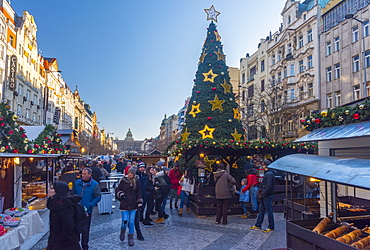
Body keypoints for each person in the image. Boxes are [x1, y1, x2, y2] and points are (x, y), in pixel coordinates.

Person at [72, 168, 101, 250]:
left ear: (90, 175)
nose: (83, 175)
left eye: (85, 174)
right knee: (75, 228)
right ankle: (76, 245)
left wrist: (90, 205)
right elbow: (73, 194)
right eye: (82, 174)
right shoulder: (77, 183)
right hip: (76, 209)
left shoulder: (95, 184)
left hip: (86, 210)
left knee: (85, 229)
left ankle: (85, 245)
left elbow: (98, 196)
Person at [46, 182, 81, 250]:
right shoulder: (55, 204)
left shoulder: (65, 206)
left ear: (58, 191)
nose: (48, 189)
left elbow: (68, 225)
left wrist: (63, 241)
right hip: (56, 240)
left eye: (51, 188)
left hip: (65, 244)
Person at [116, 166, 143, 246]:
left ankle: (130, 238)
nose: (130, 174)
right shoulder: (123, 180)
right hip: (125, 203)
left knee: (131, 221)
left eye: (131, 173)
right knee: (125, 221)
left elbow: (139, 192)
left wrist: (139, 202)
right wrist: (121, 194)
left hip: (133, 204)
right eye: (129, 173)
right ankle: (123, 231)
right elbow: (118, 189)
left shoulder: (137, 181)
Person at [250, 159, 275, 233]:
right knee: (262, 210)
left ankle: (271, 226)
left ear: (265, 165)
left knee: (268, 211)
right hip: (266, 195)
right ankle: (258, 225)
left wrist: (263, 193)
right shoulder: (269, 173)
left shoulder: (269, 174)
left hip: (267, 195)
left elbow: (269, 186)